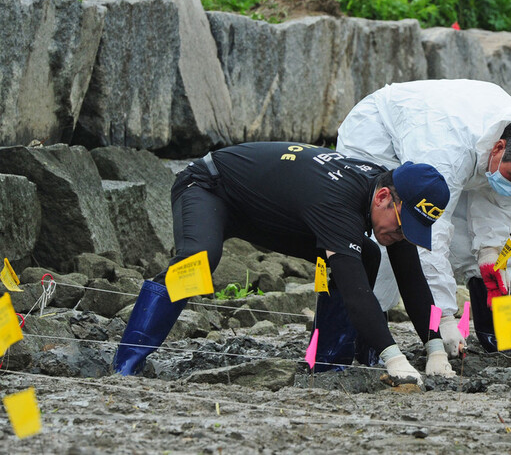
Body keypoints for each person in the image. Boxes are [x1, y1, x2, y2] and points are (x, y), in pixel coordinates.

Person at [113, 142, 454, 385]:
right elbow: (354, 291)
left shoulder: (383, 190)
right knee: (199, 260)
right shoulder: (338, 200)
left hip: (269, 213)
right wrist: (394, 356)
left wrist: (435, 346)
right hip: (210, 186)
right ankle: (128, 361)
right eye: (402, 226)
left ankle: (326, 366)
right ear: (383, 198)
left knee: (366, 253)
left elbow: (413, 278)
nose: (402, 235)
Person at [333, 79, 511, 356]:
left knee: (502, 259)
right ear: (498, 148)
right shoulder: (445, 152)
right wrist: (444, 317)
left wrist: (489, 252)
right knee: (386, 242)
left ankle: (505, 341)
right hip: (380, 136)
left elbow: (500, 205)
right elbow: (431, 235)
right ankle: (367, 344)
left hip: (459, 152)